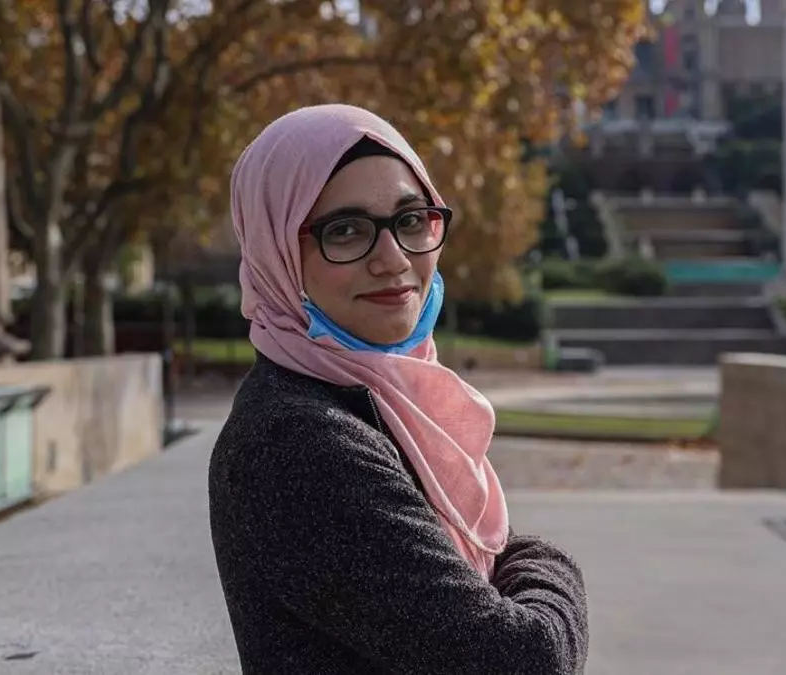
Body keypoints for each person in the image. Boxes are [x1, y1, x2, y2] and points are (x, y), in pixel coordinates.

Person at [208, 104, 589, 675]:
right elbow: (527, 659)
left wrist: (518, 561)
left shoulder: (380, 400)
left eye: (411, 220)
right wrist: (552, 564)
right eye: (345, 230)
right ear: (277, 252)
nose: (392, 260)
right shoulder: (296, 442)